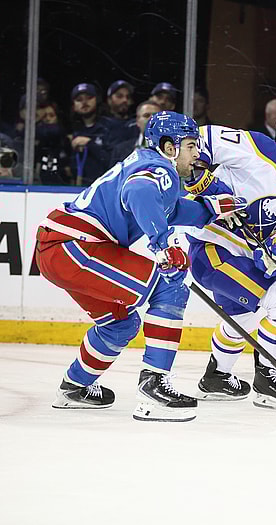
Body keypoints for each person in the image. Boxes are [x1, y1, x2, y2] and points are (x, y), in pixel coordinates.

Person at [34, 111, 245, 421]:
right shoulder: (160, 169)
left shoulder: (148, 163)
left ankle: (74, 388)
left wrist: (212, 210)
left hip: (60, 247)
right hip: (76, 246)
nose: (197, 154)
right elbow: (139, 193)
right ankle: (154, 388)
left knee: (120, 324)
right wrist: (163, 245)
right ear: (170, 147)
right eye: (190, 146)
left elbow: (166, 210)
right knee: (170, 286)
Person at [185, 108, 276, 411]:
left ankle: (216, 377)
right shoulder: (256, 147)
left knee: (243, 316)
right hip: (211, 249)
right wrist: (203, 176)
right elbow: (199, 140)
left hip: (240, 256)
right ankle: (267, 378)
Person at [69, 83, 114, 186]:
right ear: (74, 106)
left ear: (97, 100)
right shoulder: (74, 131)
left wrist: (90, 143)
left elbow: (113, 159)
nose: (84, 102)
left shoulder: (110, 126)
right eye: (79, 99)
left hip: (105, 186)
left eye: (89, 98)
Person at [109, 100, 161, 166]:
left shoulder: (172, 151)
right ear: (137, 121)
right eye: (146, 115)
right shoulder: (120, 150)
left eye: (155, 116)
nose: (151, 119)